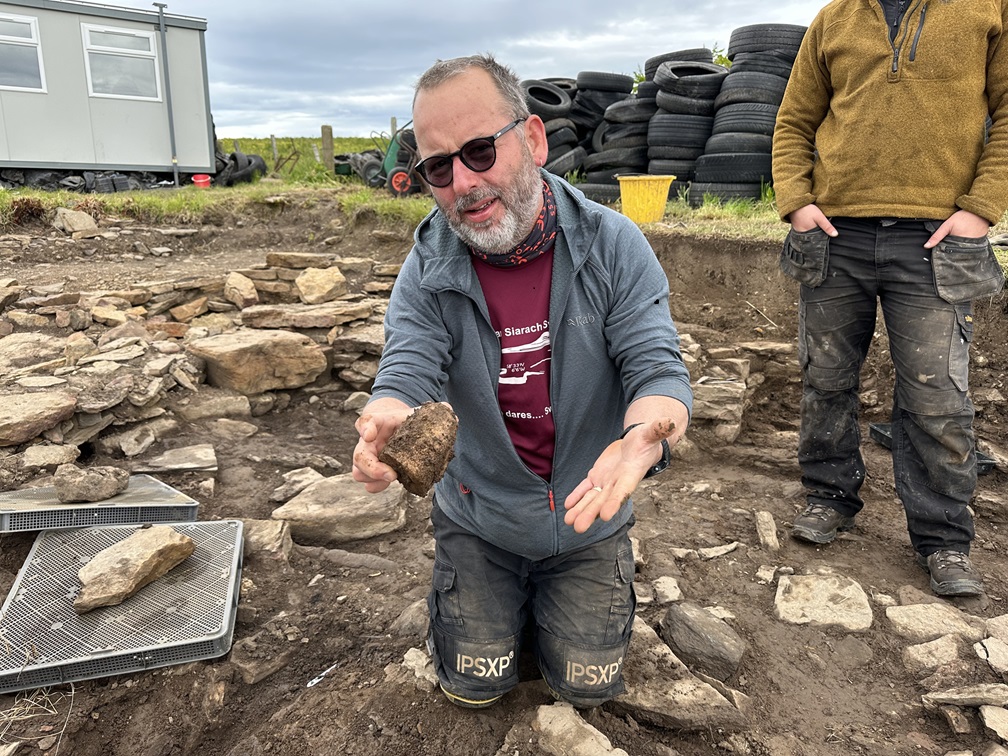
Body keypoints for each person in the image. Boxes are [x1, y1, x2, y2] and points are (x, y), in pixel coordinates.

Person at [351, 53, 692, 709]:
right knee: (475, 689)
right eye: (439, 167)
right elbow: (409, 362)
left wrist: (648, 434)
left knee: (584, 692)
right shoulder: (426, 267)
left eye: (481, 151)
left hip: (590, 523)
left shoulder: (614, 245)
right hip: (480, 522)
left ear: (533, 139)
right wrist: (387, 416)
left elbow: (656, 365)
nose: (464, 183)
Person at [771, 0, 1007, 596]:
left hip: (936, 240)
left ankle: (944, 539)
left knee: (937, 395)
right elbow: (794, 120)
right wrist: (797, 202)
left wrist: (980, 210)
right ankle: (829, 496)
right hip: (834, 236)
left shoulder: (987, 9)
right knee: (824, 377)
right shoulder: (835, 18)